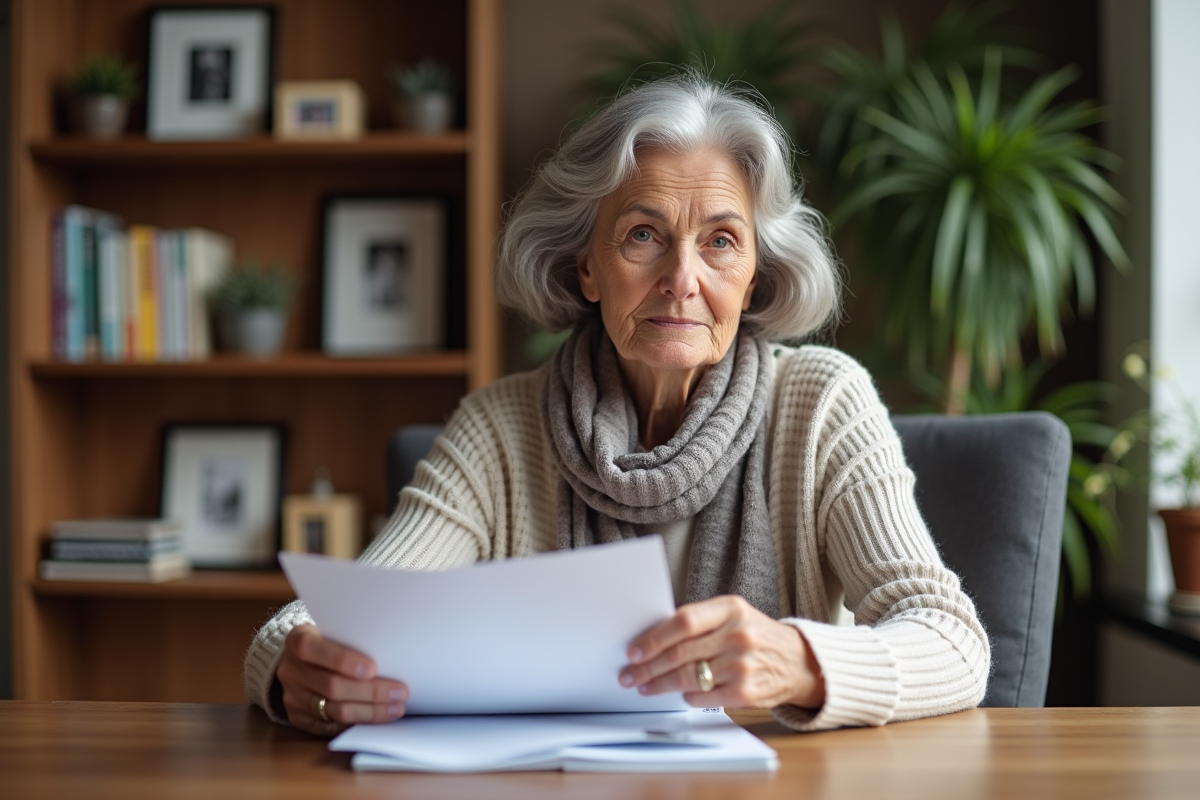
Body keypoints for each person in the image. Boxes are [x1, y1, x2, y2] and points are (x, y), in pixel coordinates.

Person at [244, 76, 990, 736]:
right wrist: (296, 662)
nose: (682, 278)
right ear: (588, 269)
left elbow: (952, 641)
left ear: (755, 277)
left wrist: (797, 660)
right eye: (643, 235)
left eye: (721, 241)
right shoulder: (500, 427)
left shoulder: (824, 403)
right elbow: (349, 621)